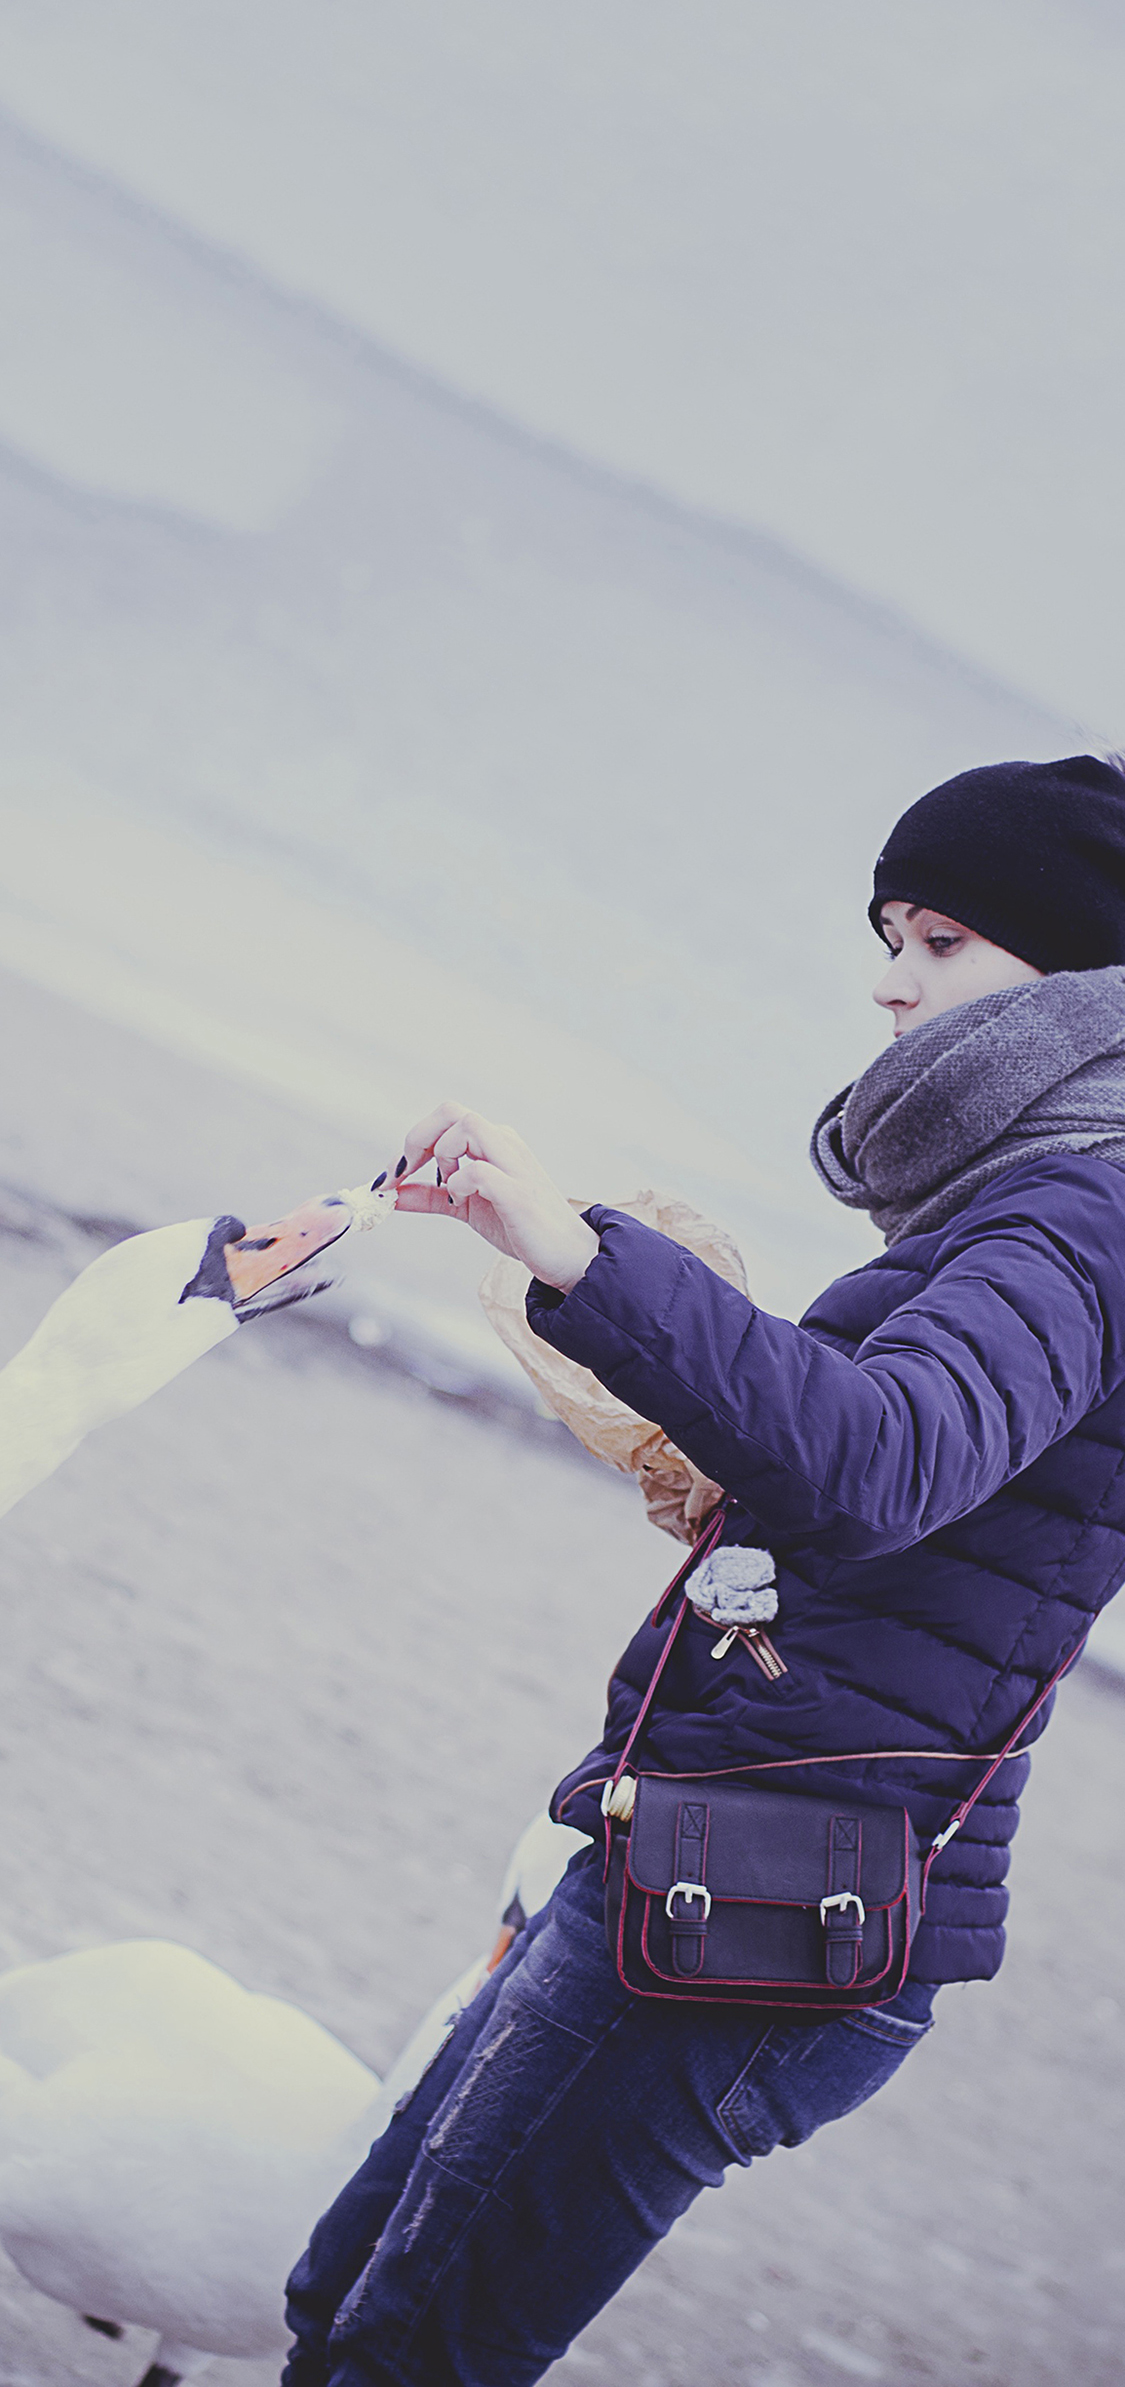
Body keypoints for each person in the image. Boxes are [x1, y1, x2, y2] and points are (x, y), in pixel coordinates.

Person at [283, 753, 1125, 2387]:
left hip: (763, 1912)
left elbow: (882, 1457)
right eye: (887, 931)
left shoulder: (1081, 1216)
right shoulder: (1031, 1202)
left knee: (404, 2357)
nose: (888, 979)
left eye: (941, 938)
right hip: (701, 1847)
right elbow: (900, 1491)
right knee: (344, 2301)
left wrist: (581, 1255)